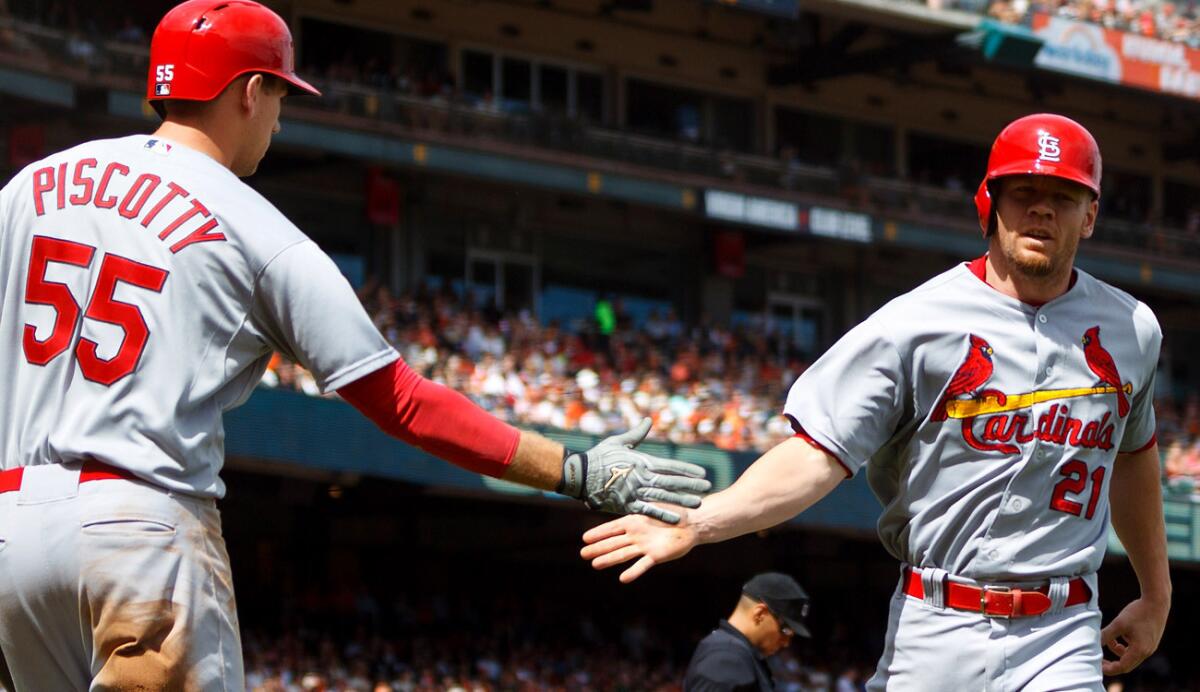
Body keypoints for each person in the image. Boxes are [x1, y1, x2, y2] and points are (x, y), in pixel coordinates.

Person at [0, 2, 710, 689]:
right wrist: (577, 470)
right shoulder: (259, 229)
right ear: (250, 92)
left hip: (12, 530)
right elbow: (402, 401)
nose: (279, 119)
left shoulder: (31, 187)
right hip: (137, 526)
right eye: (280, 95)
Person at [583, 113, 1170, 691]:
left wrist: (1156, 593)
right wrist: (701, 522)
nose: (1041, 208)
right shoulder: (915, 322)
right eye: (1024, 191)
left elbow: (1134, 455)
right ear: (989, 205)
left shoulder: (1132, 329)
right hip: (938, 620)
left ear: (1090, 215)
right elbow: (818, 454)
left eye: (1063, 196)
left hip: (1062, 630)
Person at [683, 572, 811, 692]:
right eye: (786, 630)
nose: (786, 643)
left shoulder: (738, 653)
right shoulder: (725, 659)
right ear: (760, 614)